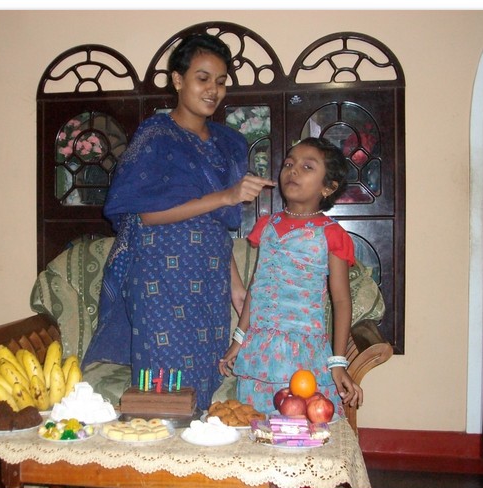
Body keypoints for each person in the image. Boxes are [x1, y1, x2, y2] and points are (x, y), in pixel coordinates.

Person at [82, 33, 276, 410]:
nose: (213, 90)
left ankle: (197, 447)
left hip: (208, 277)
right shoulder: (156, 136)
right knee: (162, 388)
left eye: (221, 81)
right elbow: (147, 213)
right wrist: (228, 195)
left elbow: (215, 223)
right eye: (202, 78)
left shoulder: (228, 143)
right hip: (158, 279)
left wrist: (235, 284)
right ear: (177, 80)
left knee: (203, 384)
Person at [219, 136, 363, 417]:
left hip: (304, 352)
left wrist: (338, 362)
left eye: (307, 167)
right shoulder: (267, 225)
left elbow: (341, 301)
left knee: (302, 427)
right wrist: (238, 341)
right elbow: (257, 288)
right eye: (288, 164)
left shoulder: (331, 234)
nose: (293, 170)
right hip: (259, 350)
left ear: (328, 187)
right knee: (257, 424)